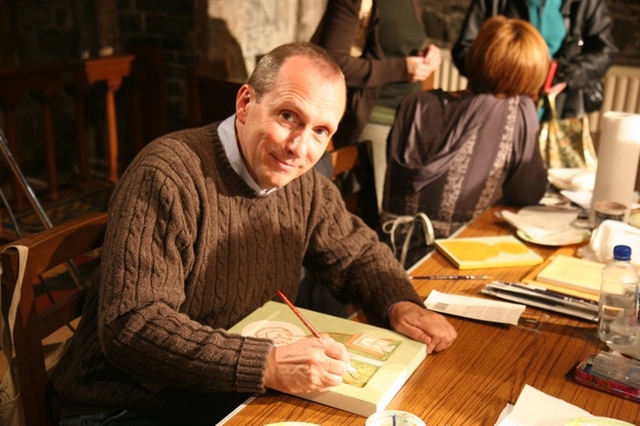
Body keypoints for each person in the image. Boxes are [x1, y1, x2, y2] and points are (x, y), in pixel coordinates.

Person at [51, 42, 457, 426]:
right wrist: (268, 364)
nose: (300, 147)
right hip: (123, 405)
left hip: (225, 395)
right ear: (246, 103)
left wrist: (398, 301)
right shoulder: (167, 174)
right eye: (288, 117)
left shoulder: (304, 184)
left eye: (320, 131)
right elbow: (133, 326)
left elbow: (356, 253)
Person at [381, 16, 550, 266]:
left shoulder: (414, 104)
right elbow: (527, 194)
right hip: (458, 257)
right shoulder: (517, 111)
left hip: (389, 254)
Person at [312, 0, 441, 213]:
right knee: (381, 213)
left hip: (411, 121)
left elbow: (397, 47)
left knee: (412, 210)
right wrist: (400, 69)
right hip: (376, 120)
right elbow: (332, 62)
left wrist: (428, 52)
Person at [451, 0, 617, 119]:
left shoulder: (587, 3)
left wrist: (566, 74)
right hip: (498, 107)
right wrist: (508, 76)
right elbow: (464, 49)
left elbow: (605, 51)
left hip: (560, 109)